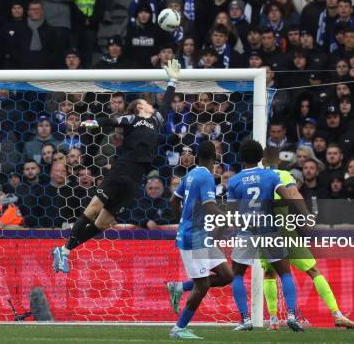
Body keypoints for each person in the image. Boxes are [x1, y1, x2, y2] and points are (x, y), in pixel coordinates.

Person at [51, 59, 181, 274]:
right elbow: (108, 121)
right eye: (146, 102)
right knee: (93, 210)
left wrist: (173, 81)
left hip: (134, 180)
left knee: (103, 223)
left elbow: (166, 105)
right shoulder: (133, 119)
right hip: (120, 171)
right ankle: (64, 251)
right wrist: (87, 123)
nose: (151, 104)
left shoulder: (155, 121)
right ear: (140, 106)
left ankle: (65, 249)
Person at [260, 147, 354, 329]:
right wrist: (306, 215)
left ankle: (273, 320)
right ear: (278, 161)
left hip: (263, 226)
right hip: (283, 224)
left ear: (262, 161)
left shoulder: (256, 177)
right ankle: (337, 314)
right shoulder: (283, 175)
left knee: (270, 273)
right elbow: (294, 195)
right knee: (313, 270)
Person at [227, 140, 310, 332]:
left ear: (240, 158)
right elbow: (288, 197)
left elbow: (231, 213)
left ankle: (245, 319)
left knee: (237, 275)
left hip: (247, 230)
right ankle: (291, 315)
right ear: (260, 158)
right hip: (269, 230)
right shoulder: (271, 176)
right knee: (285, 273)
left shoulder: (234, 180)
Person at [166, 140, 233, 339]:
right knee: (203, 285)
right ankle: (178, 328)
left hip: (200, 235)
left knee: (227, 276)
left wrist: (180, 219)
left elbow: (173, 200)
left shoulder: (191, 174)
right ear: (215, 157)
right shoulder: (205, 176)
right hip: (194, 237)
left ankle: (180, 287)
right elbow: (211, 207)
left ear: (197, 156)